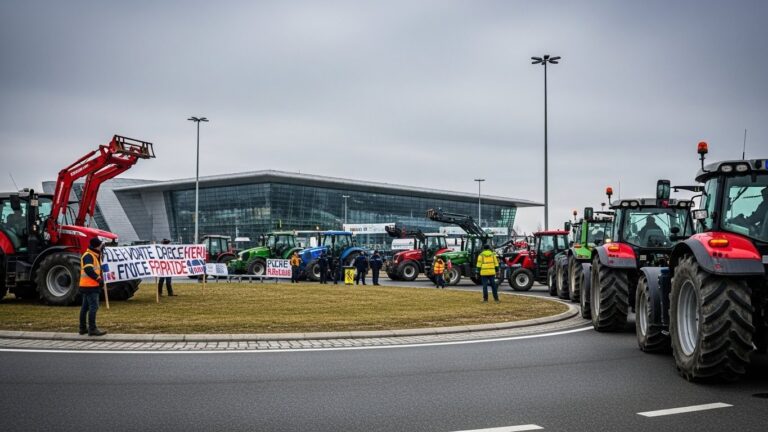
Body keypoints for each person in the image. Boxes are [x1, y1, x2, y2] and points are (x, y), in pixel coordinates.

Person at [79, 238, 107, 336]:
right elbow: (88, 269)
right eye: (100, 245)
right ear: (96, 246)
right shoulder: (88, 256)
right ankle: (92, 329)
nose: (101, 247)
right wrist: (98, 278)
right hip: (90, 285)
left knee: (85, 307)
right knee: (93, 307)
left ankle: (82, 328)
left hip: (86, 285)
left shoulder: (93, 255)